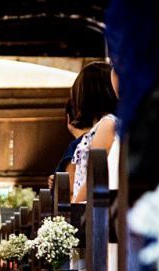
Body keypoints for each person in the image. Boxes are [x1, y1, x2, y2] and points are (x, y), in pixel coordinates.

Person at [68, 61, 118, 203]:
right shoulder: (105, 124)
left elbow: (94, 174)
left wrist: (75, 205)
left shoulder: (107, 124)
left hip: (90, 207)